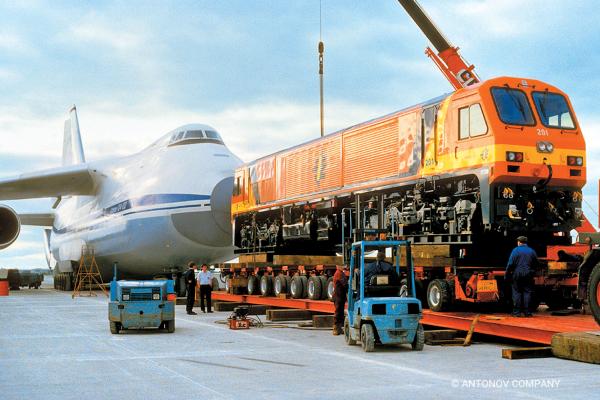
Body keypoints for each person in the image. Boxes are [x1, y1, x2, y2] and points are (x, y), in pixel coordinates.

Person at [506, 236, 538, 317]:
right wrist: (532, 272)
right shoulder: (532, 251)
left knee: (517, 293)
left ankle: (517, 313)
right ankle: (527, 313)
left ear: (519, 242)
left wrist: (507, 274)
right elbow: (536, 263)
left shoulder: (515, 250)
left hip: (517, 274)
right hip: (528, 274)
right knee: (527, 292)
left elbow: (510, 264)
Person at [332, 265, 348, 336]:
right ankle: (335, 328)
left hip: (340, 296)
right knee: (338, 311)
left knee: (340, 312)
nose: (345, 266)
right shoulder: (339, 273)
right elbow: (345, 284)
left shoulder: (340, 273)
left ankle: (339, 328)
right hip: (338, 296)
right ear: (338, 266)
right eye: (343, 265)